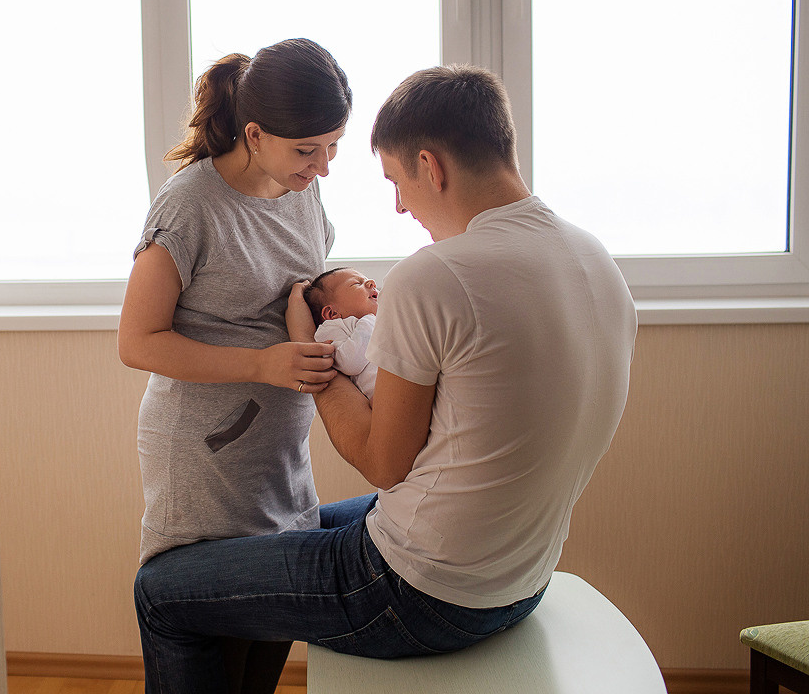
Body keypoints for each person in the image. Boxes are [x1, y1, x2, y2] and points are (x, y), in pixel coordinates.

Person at [132, 65, 638, 694]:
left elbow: (382, 461)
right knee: (292, 530)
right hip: (520, 576)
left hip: (419, 591)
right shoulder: (594, 260)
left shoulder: (439, 276)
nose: (400, 204)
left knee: (159, 591)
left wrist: (304, 353)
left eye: (397, 181)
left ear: (432, 166)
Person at [117, 38, 353, 693]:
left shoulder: (302, 193)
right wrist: (263, 363)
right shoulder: (189, 205)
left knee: (258, 674)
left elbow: (292, 288)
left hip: (280, 470)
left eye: (333, 146)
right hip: (204, 473)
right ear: (254, 133)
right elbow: (137, 341)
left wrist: (336, 298)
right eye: (308, 150)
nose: (323, 167)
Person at [287, 268, 380, 398]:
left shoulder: (383, 321)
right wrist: (370, 319)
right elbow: (350, 362)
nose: (372, 283)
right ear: (332, 313)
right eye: (357, 284)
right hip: (384, 396)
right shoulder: (333, 327)